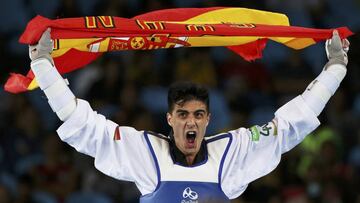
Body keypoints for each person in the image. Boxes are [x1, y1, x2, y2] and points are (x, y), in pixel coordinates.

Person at [28, 28, 349, 202]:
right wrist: (44, 67)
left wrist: (334, 70)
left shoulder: (233, 151)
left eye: (198, 114)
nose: (191, 120)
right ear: (169, 119)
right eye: (182, 114)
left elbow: (289, 126)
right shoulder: (146, 151)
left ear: (208, 119)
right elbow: (86, 128)